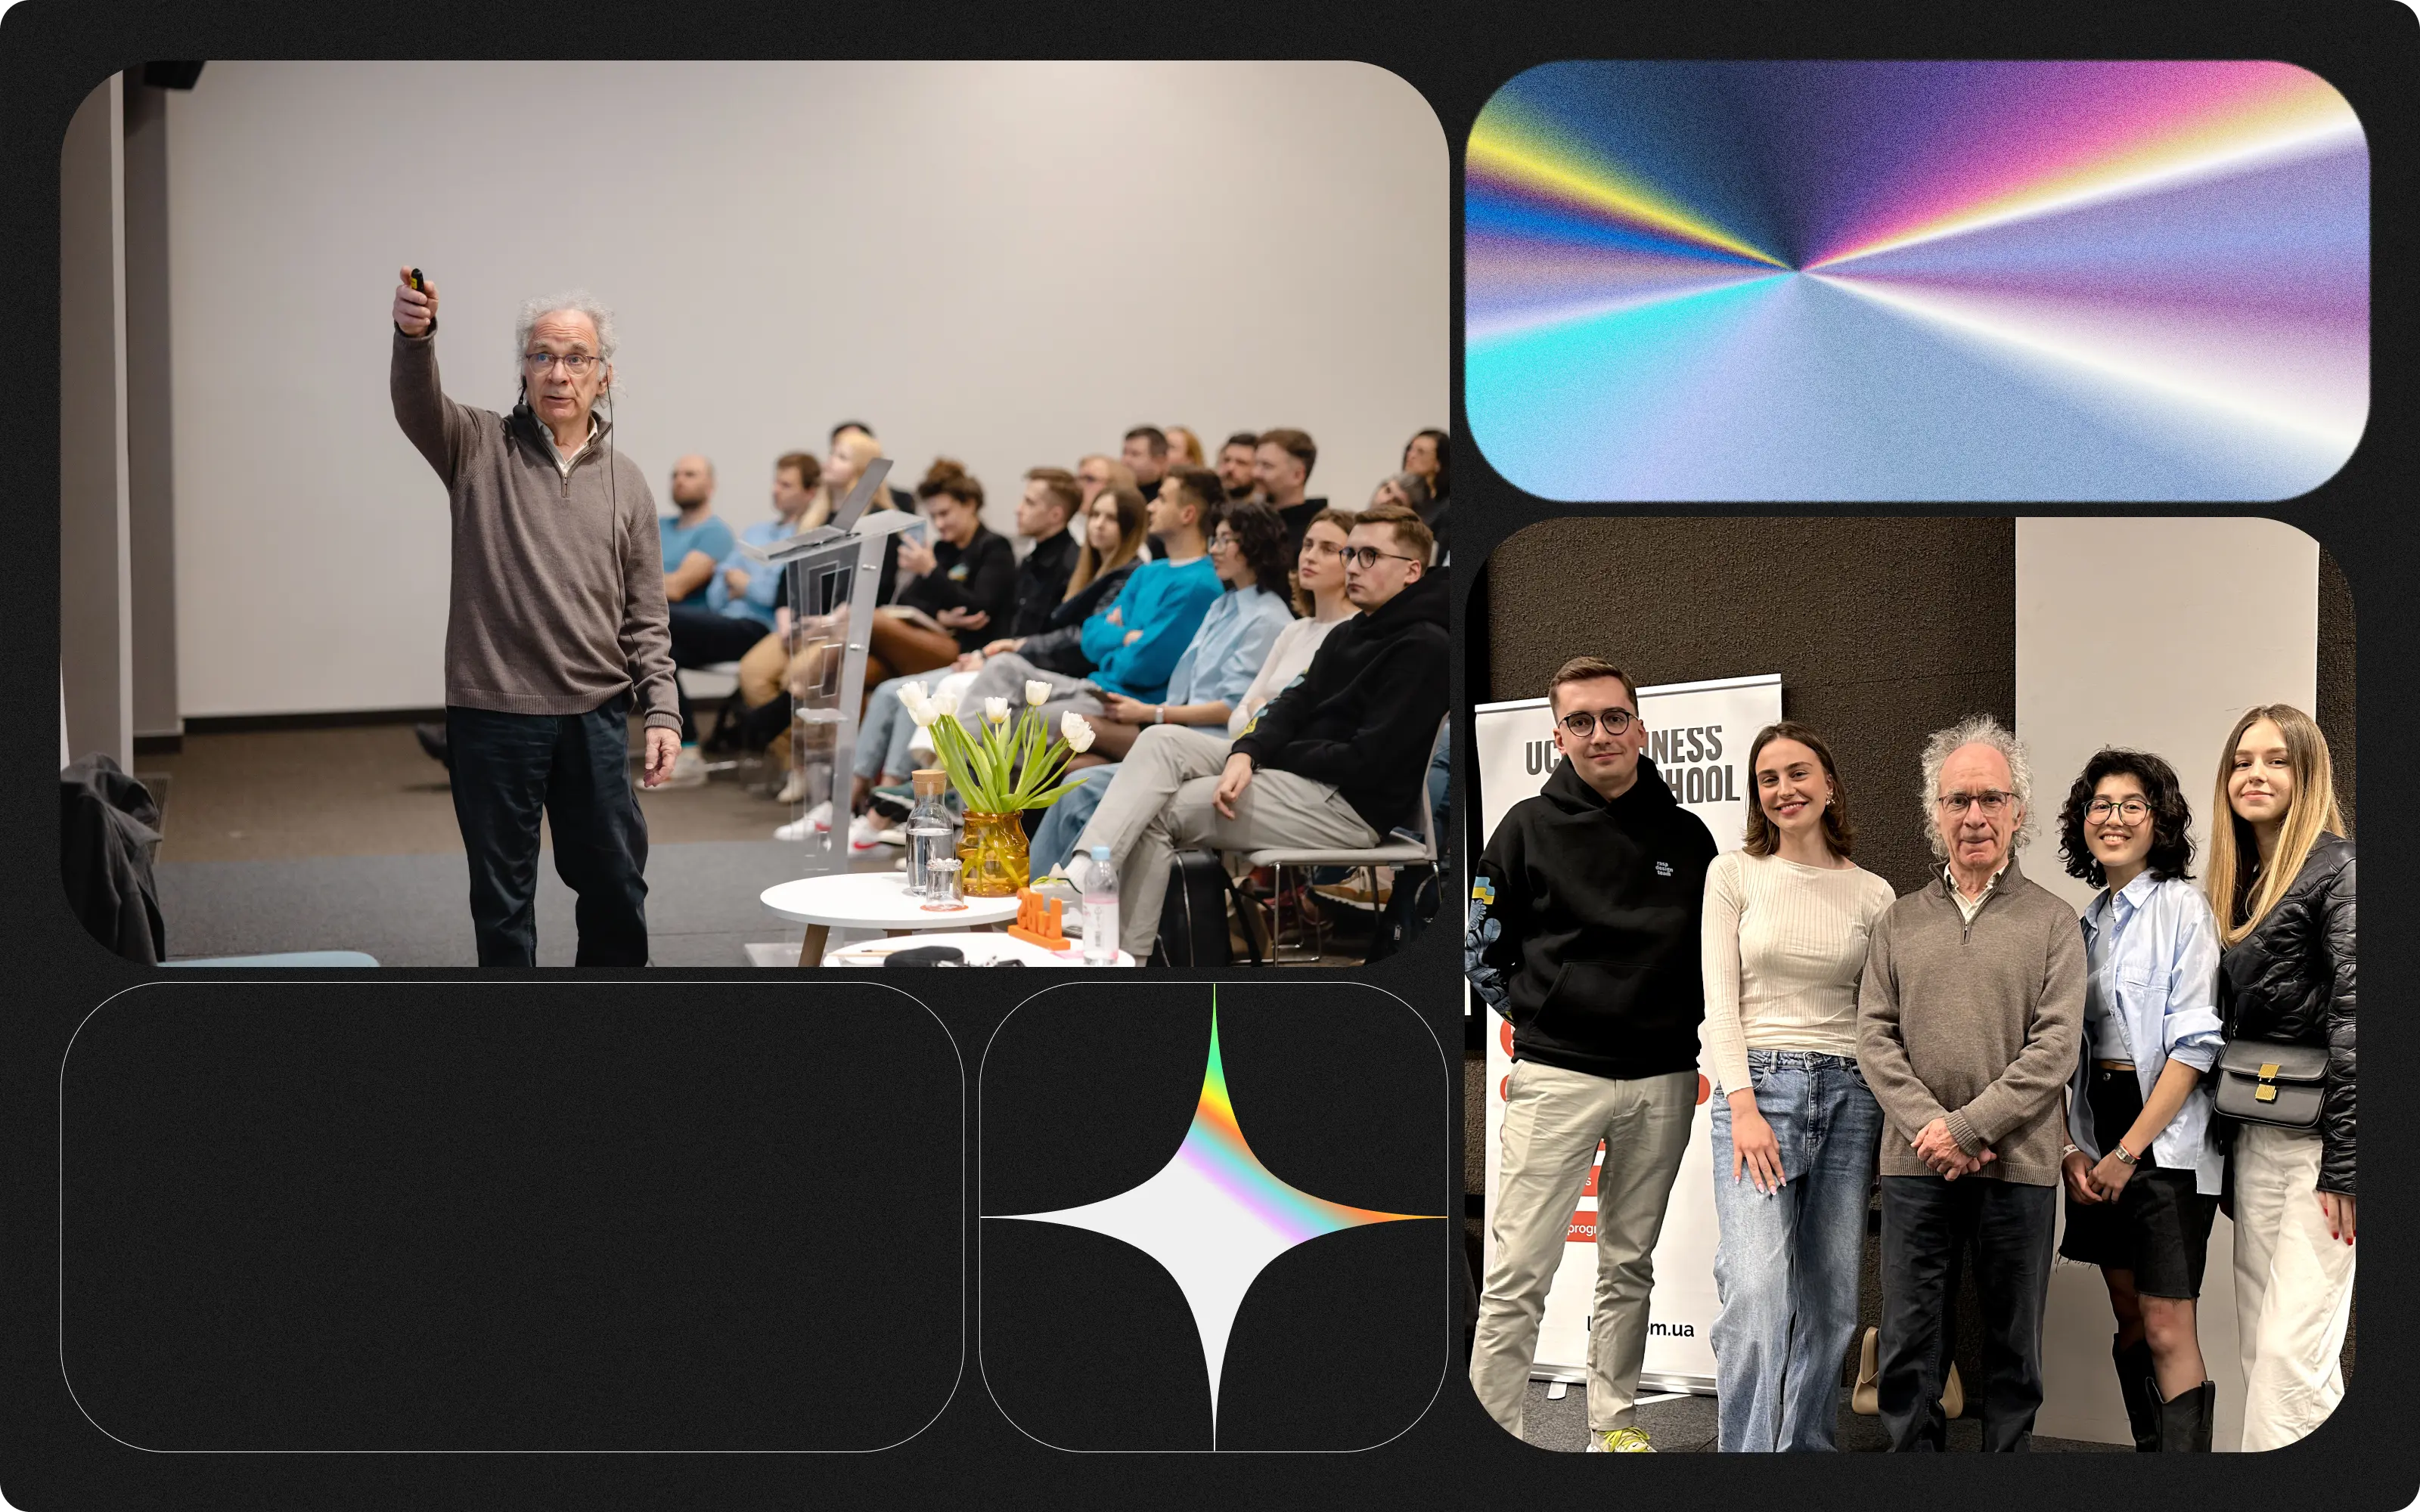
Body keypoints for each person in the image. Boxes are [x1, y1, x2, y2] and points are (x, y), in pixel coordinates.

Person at [1463, 656, 1718, 1452]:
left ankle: (1612, 1420)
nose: (1599, 732)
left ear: (1640, 729)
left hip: (1665, 1081)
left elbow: (1714, 955)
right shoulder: (1523, 829)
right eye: (1580, 720)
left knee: (1627, 1265)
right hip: (1556, 1076)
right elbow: (1480, 949)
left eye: (1613, 717)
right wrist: (1542, 1018)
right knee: (1514, 1279)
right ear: (1557, 736)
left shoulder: (1688, 835)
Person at [388, 269, 675, 967]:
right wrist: (414, 336)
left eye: (576, 358)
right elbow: (416, 404)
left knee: (614, 886)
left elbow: (646, 615)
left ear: (604, 374)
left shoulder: (628, 480)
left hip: (596, 715)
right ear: (524, 369)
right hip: (493, 715)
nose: (559, 373)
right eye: (542, 356)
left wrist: (662, 711)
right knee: (503, 902)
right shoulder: (477, 446)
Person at [1074, 504, 1444, 964]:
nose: (1352, 566)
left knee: (1162, 811)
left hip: (1346, 807)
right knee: (1161, 741)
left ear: (1412, 570)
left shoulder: (1426, 647)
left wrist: (1270, 754)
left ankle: (1125, 960)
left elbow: (1367, 760)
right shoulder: (1350, 633)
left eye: (1369, 555)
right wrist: (1247, 751)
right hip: (1301, 781)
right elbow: (1289, 704)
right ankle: (1084, 871)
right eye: (1350, 553)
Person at [1857, 714, 2083, 1452]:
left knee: (2011, 1346)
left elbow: (2052, 1051)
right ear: (1934, 813)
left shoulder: (2053, 922)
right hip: (1913, 1162)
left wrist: (1966, 1127)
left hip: (2015, 1163)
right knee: (1908, 1340)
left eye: (1990, 798)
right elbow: (1873, 1038)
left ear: (2017, 810)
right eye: (1957, 800)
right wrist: (1935, 1128)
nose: (1974, 815)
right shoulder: (1895, 922)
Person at [1699, 721, 1897, 1452]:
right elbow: (1720, 1004)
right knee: (1755, 1293)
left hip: (1852, 1096)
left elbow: (1879, 1016)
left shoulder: (1873, 893)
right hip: (1760, 1096)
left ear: (1830, 783)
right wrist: (1743, 1103)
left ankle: (1805, 1451)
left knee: (1832, 1302)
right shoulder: (1734, 875)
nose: (1784, 789)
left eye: (1799, 773)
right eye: (1768, 779)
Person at [2052, 748, 2225, 1452]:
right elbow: (2063, 1050)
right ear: (2083, 822)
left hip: (2167, 1138)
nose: (2113, 818)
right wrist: (2076, 1147)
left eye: (2131, 805)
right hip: (2100, 1128)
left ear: (2159, 821)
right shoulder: (2085, 922)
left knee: (2165, 1324)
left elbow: (2193, 1048)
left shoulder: (2184, 908)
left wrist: (2130, 1152)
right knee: (2126, 1316)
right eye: (2100, 805)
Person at [1032, 507, 1357, 875]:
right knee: (1077, 775)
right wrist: (1258, 709)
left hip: (1234, 752)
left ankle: (1074, 890)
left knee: (1074, 753)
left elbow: (1243, 713)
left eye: (1328, 548)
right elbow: (1244, 712)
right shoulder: (1265, 619)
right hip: (1210, 740)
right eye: (1309, 545)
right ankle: (1045, 892)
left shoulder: (1283, 620)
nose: (1310, 555)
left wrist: (1155, 713)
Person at [2207, 704, 2354, 1452]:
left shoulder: (2340, 870)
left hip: (2318, 1153)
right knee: (2265, 1355)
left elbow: (2361, 1027)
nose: (2254, 774)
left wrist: (2347, 1168)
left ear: (2306, 772)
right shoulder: (2243, 880)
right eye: (2240, 759)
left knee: (2288, 1364)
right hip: (2256, 1143)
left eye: (2274, 759)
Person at [957, 469, 1224, 729]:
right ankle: (944, 766)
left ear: (1188, 514)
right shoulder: (1149, 571)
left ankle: (950, 769)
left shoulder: (1199, 585)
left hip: (1128, 702)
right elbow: (1090, 635)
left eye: (1162, 499)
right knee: (1002, 667)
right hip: (1096, 687)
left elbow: (1142, 668)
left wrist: (1113, 638)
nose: (1151, 507)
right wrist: (1126, 638)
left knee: (1016, 719)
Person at [666, 450, 819, 764]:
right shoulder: (756, 532)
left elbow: (781, 594)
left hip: (760, 631)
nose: (776, 490)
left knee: (657, 616)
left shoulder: (807, 537)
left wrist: (747, 585)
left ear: (810, 492)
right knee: (659, 656)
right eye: (776, 482)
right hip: (727, 621)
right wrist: (739, 585)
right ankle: (689, 749)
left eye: (786, 485)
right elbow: (721, 587)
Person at [869, 464, 1016, 680]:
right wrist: (942, 617)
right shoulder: (943, 550)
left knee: (872, 619)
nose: (938, 524)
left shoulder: (994, 548)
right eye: (933, 516)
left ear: (970, 504)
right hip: (933, 637)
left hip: (968, 649)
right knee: (857, 674)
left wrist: (931, 571)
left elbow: (978, 608)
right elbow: (907, 601)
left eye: (945, 514)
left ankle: (798, 686)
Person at [1006, 466, 1082, 640]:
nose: (1018, 510)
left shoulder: (1073, 566)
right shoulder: (1031, 558)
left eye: (1030, 503)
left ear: (1055, 515)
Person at [659, 454, 734, 607]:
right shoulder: (657, 525)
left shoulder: (716, 533)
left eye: (690, 475)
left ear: (710, 486)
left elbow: (675, 588)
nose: (679, 481)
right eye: (675, 475)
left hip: (678, 619)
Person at [1253, 427, 1329, 557]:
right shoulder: (1254, 523)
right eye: (1256, 464)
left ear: (1297, 475)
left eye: (1267, 466)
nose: (1255, 473)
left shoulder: (1315, 533)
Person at [1403, 428, 1451, 564]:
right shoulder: (1409, 497)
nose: (1410, 455)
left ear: (1438, 463)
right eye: (1410, 449)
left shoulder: (1448, 506)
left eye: (1421, 452)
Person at [1122, 425, 1171, 500]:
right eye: (1124, 453)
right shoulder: (1118, 494)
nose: (1126, 460)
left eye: (1135, 454)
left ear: (1160, 461)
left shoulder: (1168, 499)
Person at [1216, 431, 1261, 502]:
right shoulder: (1206, 505)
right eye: (1226, 460)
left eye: (1241, 463)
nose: (1230, 468)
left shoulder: (1265, 510)